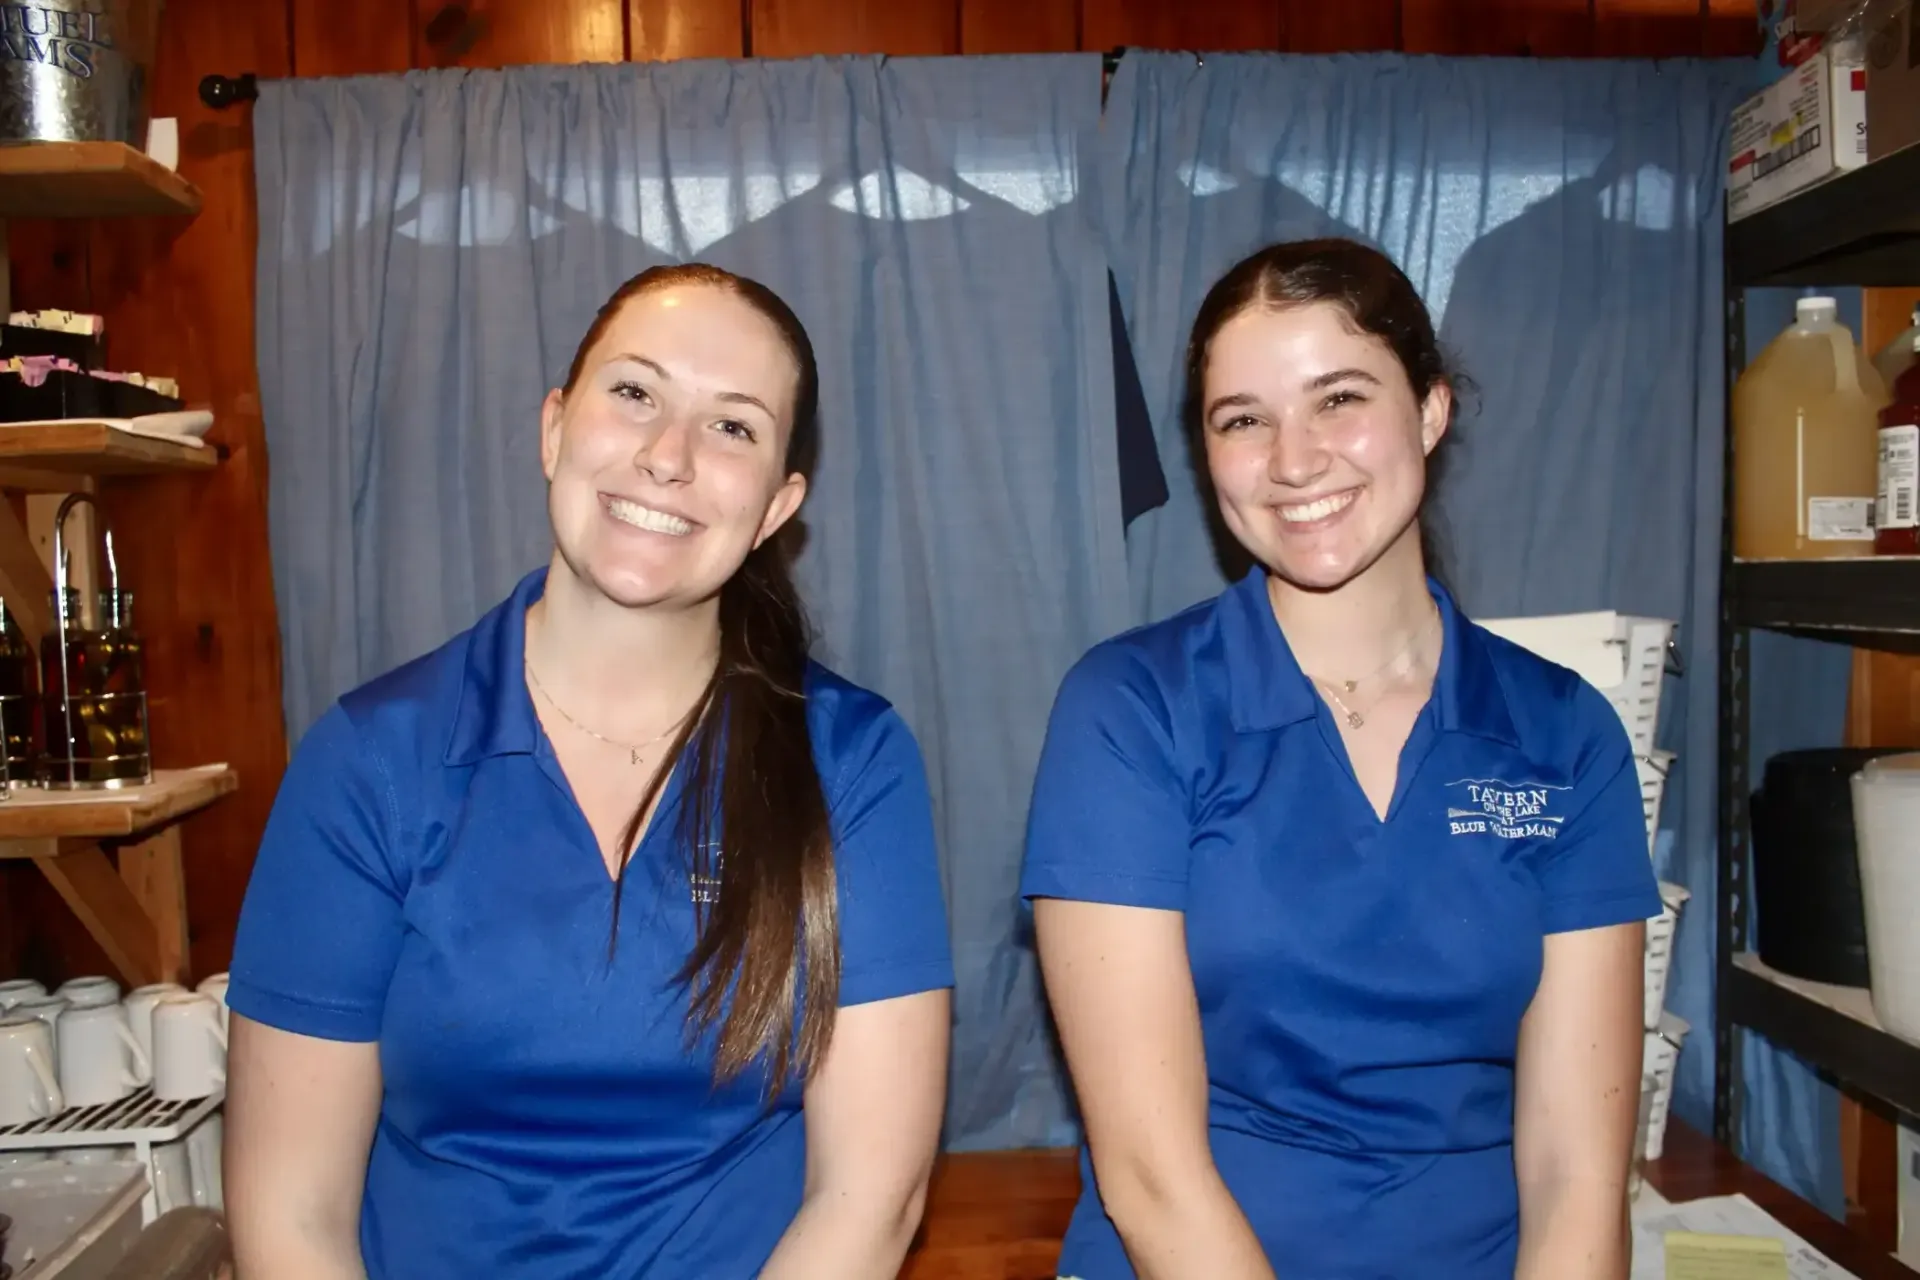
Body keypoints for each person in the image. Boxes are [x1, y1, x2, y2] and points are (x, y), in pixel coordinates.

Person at [223, 264, 955, 1279]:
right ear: (554, 427)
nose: (668, 456)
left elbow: (870, 1197)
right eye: (635, 393)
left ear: (777, 505)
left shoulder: (852, 760)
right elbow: (290, 1213)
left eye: (732, 426)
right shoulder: (370, 761)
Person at [1022, 238, 1656, 1280]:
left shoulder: (1564, 732)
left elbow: (1576, 1176)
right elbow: (1150, 1174)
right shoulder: (1133, 709)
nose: (1294, 459)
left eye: (1339, 399)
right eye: (1243, 419)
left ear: (1431, 411)